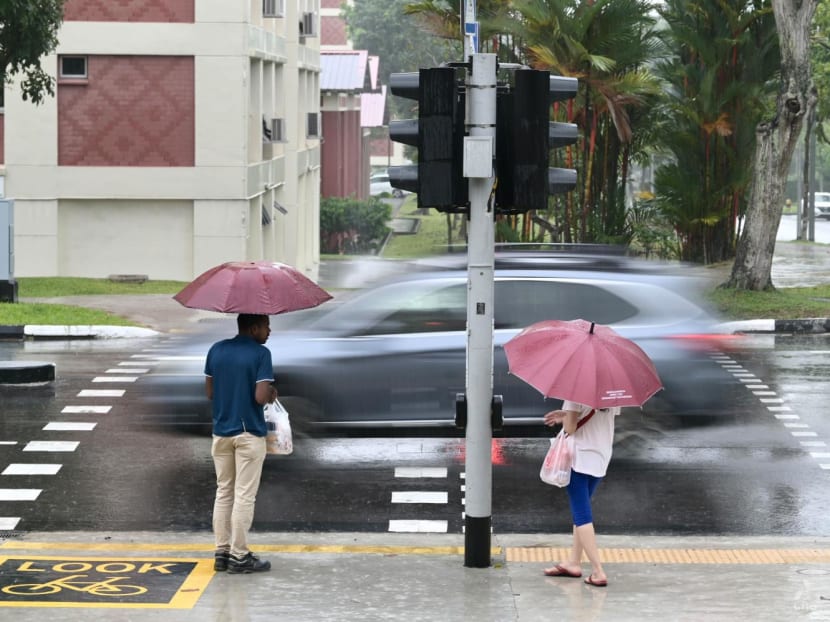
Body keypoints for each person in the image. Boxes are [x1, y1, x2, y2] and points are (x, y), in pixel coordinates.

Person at [205, 313, 277, 574]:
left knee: (224, 491)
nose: (269, 332)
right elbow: (260, 397)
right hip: (248, 434)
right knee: (244, 495)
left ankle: (221, 553)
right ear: (254, 327)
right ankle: (240, 556)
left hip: (221, 432)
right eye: (267, 327)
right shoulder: (261, 354)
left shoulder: (216, 350)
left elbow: (210, 393)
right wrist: (270, 393)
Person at [541, 400, 621, 587]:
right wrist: (566, 414)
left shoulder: (574, 393)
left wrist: (567, 416)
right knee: (581, 513)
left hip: (579, 458)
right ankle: (573, 563)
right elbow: (599, 417)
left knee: (582, 515)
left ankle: (598, 571)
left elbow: (570, 428)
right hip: (601, 457)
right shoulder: (612, 391)